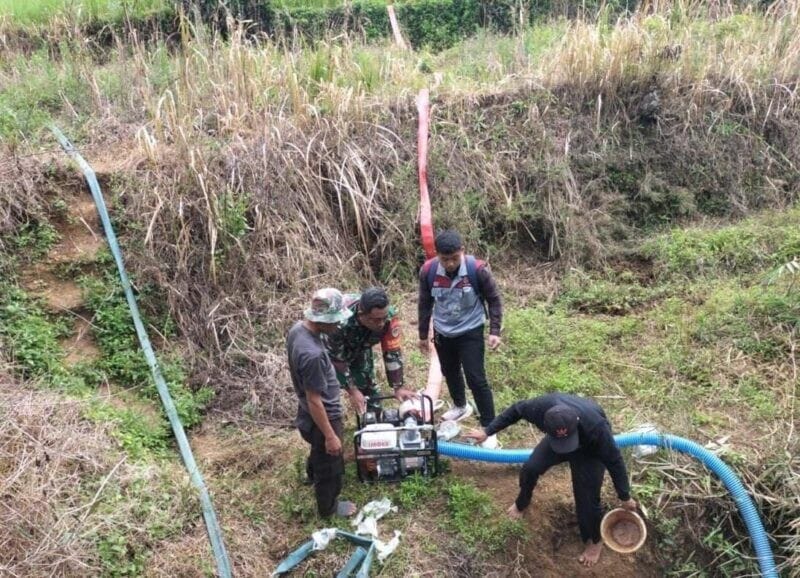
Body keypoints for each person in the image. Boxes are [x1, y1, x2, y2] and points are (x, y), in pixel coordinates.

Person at [464, 393, 638, 568]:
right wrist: (487, 431)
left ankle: (594, 540)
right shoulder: (540, 408)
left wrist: (624, 496)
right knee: (530, 468)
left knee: (586, 498)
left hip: (589, 450)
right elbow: (516, 410)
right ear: (546, 426)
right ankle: (521, 503)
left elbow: (615, 461)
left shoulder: (596, 428)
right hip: (556, 440)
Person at [417, 229, 503, 448]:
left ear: (461, 252)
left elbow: (494, 300)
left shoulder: (477, 270)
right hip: (443, 331)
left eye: (454, 258)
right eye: (445, 259)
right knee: (450, 371)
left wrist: (494, 331)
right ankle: (460, 405)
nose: (450, 264)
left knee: (476, 377)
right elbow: (425, 303)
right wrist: (422, 335)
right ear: (437, 255)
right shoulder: (428, 272)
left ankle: (489, 427)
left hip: (470, 330)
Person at [287, 288, 357, 519]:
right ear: (322, 320)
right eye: (335, 322)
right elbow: (315, 399)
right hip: (323, 415)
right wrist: (330, 435)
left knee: (318, 452)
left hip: (307, 411)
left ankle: (310, 474)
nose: (338, 326)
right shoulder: (313, 354)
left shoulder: (298, 330)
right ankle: (329, 507)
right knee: (330, 462)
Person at [325, 287, 416, 414]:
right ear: (361, 314)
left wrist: (398, 386)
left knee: (367, 384)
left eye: (384, 318)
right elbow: (336, 359)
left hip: (360, 347)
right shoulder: (339, 321)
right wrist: (352, 390)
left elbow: (392, 351)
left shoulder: (388, 317)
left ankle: (373, 420)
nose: (382, 324)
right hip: (327, 351)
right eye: (376, 320)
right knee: (326, 389)